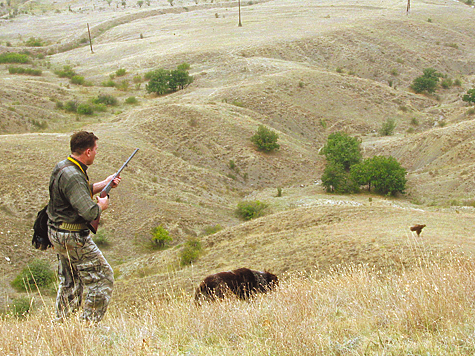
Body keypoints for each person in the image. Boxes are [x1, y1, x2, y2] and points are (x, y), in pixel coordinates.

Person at [47, 131, 121, 324]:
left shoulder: (64, 167)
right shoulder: (73, 175)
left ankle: (61, 326)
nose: (97, 153)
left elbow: (77, 192)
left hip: (58, 234)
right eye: (95, 150)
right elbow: (89, 213)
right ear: (88, 151)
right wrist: (101, 206)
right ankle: (89, 327)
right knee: (103, 278)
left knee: (70, 281)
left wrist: (104, 184)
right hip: (72, 237)